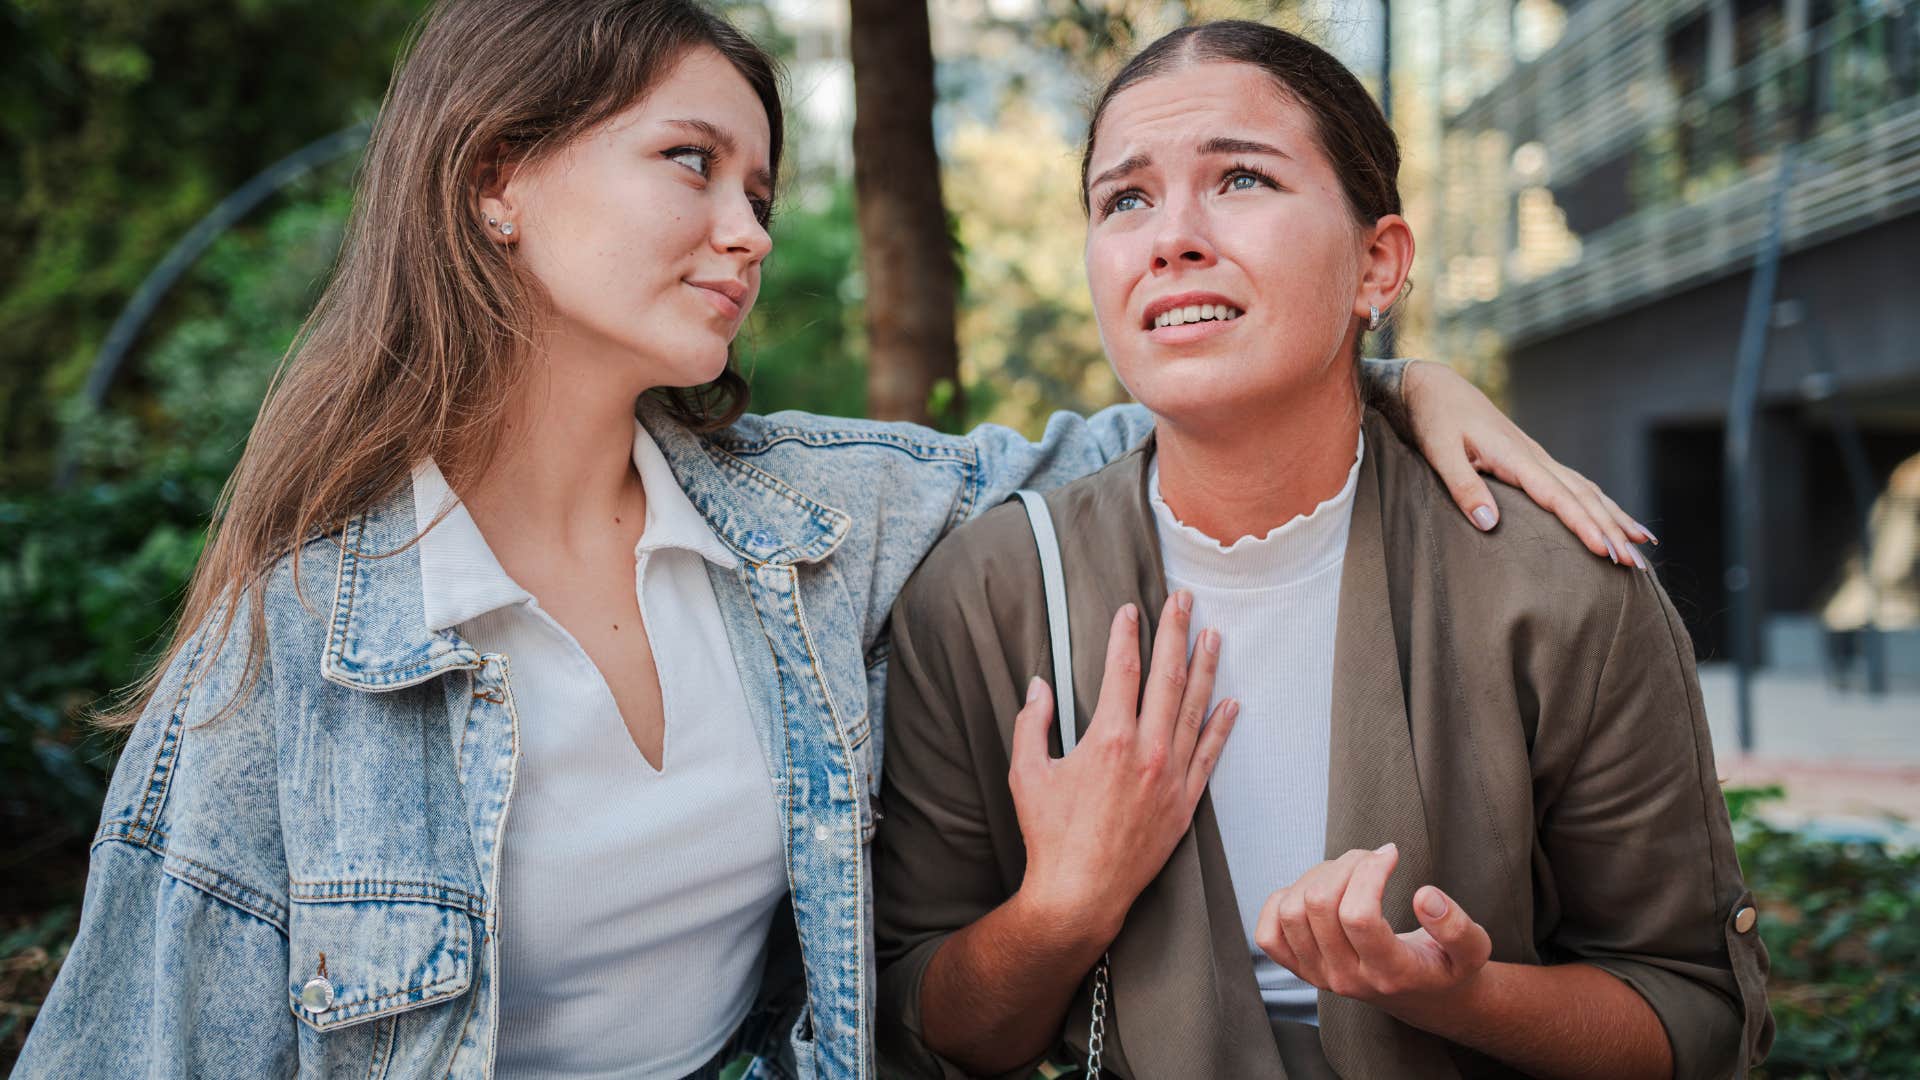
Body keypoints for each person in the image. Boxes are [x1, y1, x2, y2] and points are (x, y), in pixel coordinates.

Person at [18, 3, 1651, 1078]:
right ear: (498, 178)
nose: (746, 229)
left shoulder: (812, 524)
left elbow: (1157, 424)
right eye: (690, 165)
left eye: (760, 180)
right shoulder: (291, 656)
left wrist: (1398, 364)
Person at [873, 20, 1771, 1080]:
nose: (1172, 236)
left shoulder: (1559, 590)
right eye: (1126, 199)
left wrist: (1461, 995)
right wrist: (1064, 905)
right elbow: (931, 1023)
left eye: (1240, 179)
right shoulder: (983, 597)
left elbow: (1693, 1015)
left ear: (1377, 262)